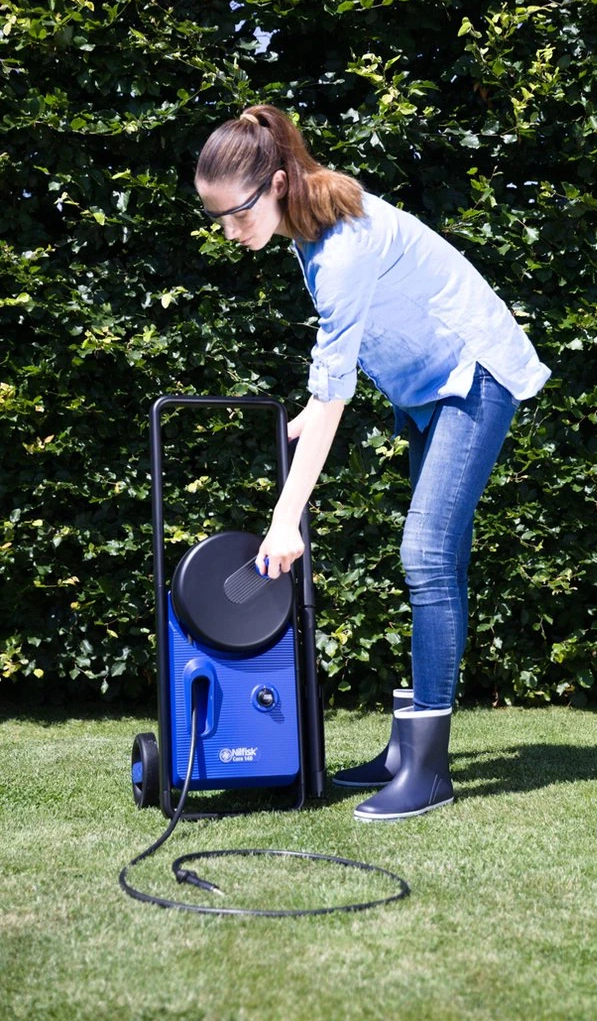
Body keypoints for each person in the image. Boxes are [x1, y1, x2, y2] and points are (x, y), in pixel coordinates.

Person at [194, 104, 551, 822]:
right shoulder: (308, 233)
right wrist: (304, 418)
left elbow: (334, 391)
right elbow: (339, 367)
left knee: (427, 555)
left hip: (475, 378)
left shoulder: (341, 249)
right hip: (429, 392)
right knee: (436, 559)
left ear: (277, 183)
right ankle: (404, 751)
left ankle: (428, 770)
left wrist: (285, 521)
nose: (230, 232)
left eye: (237, 213)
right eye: (218, 219)